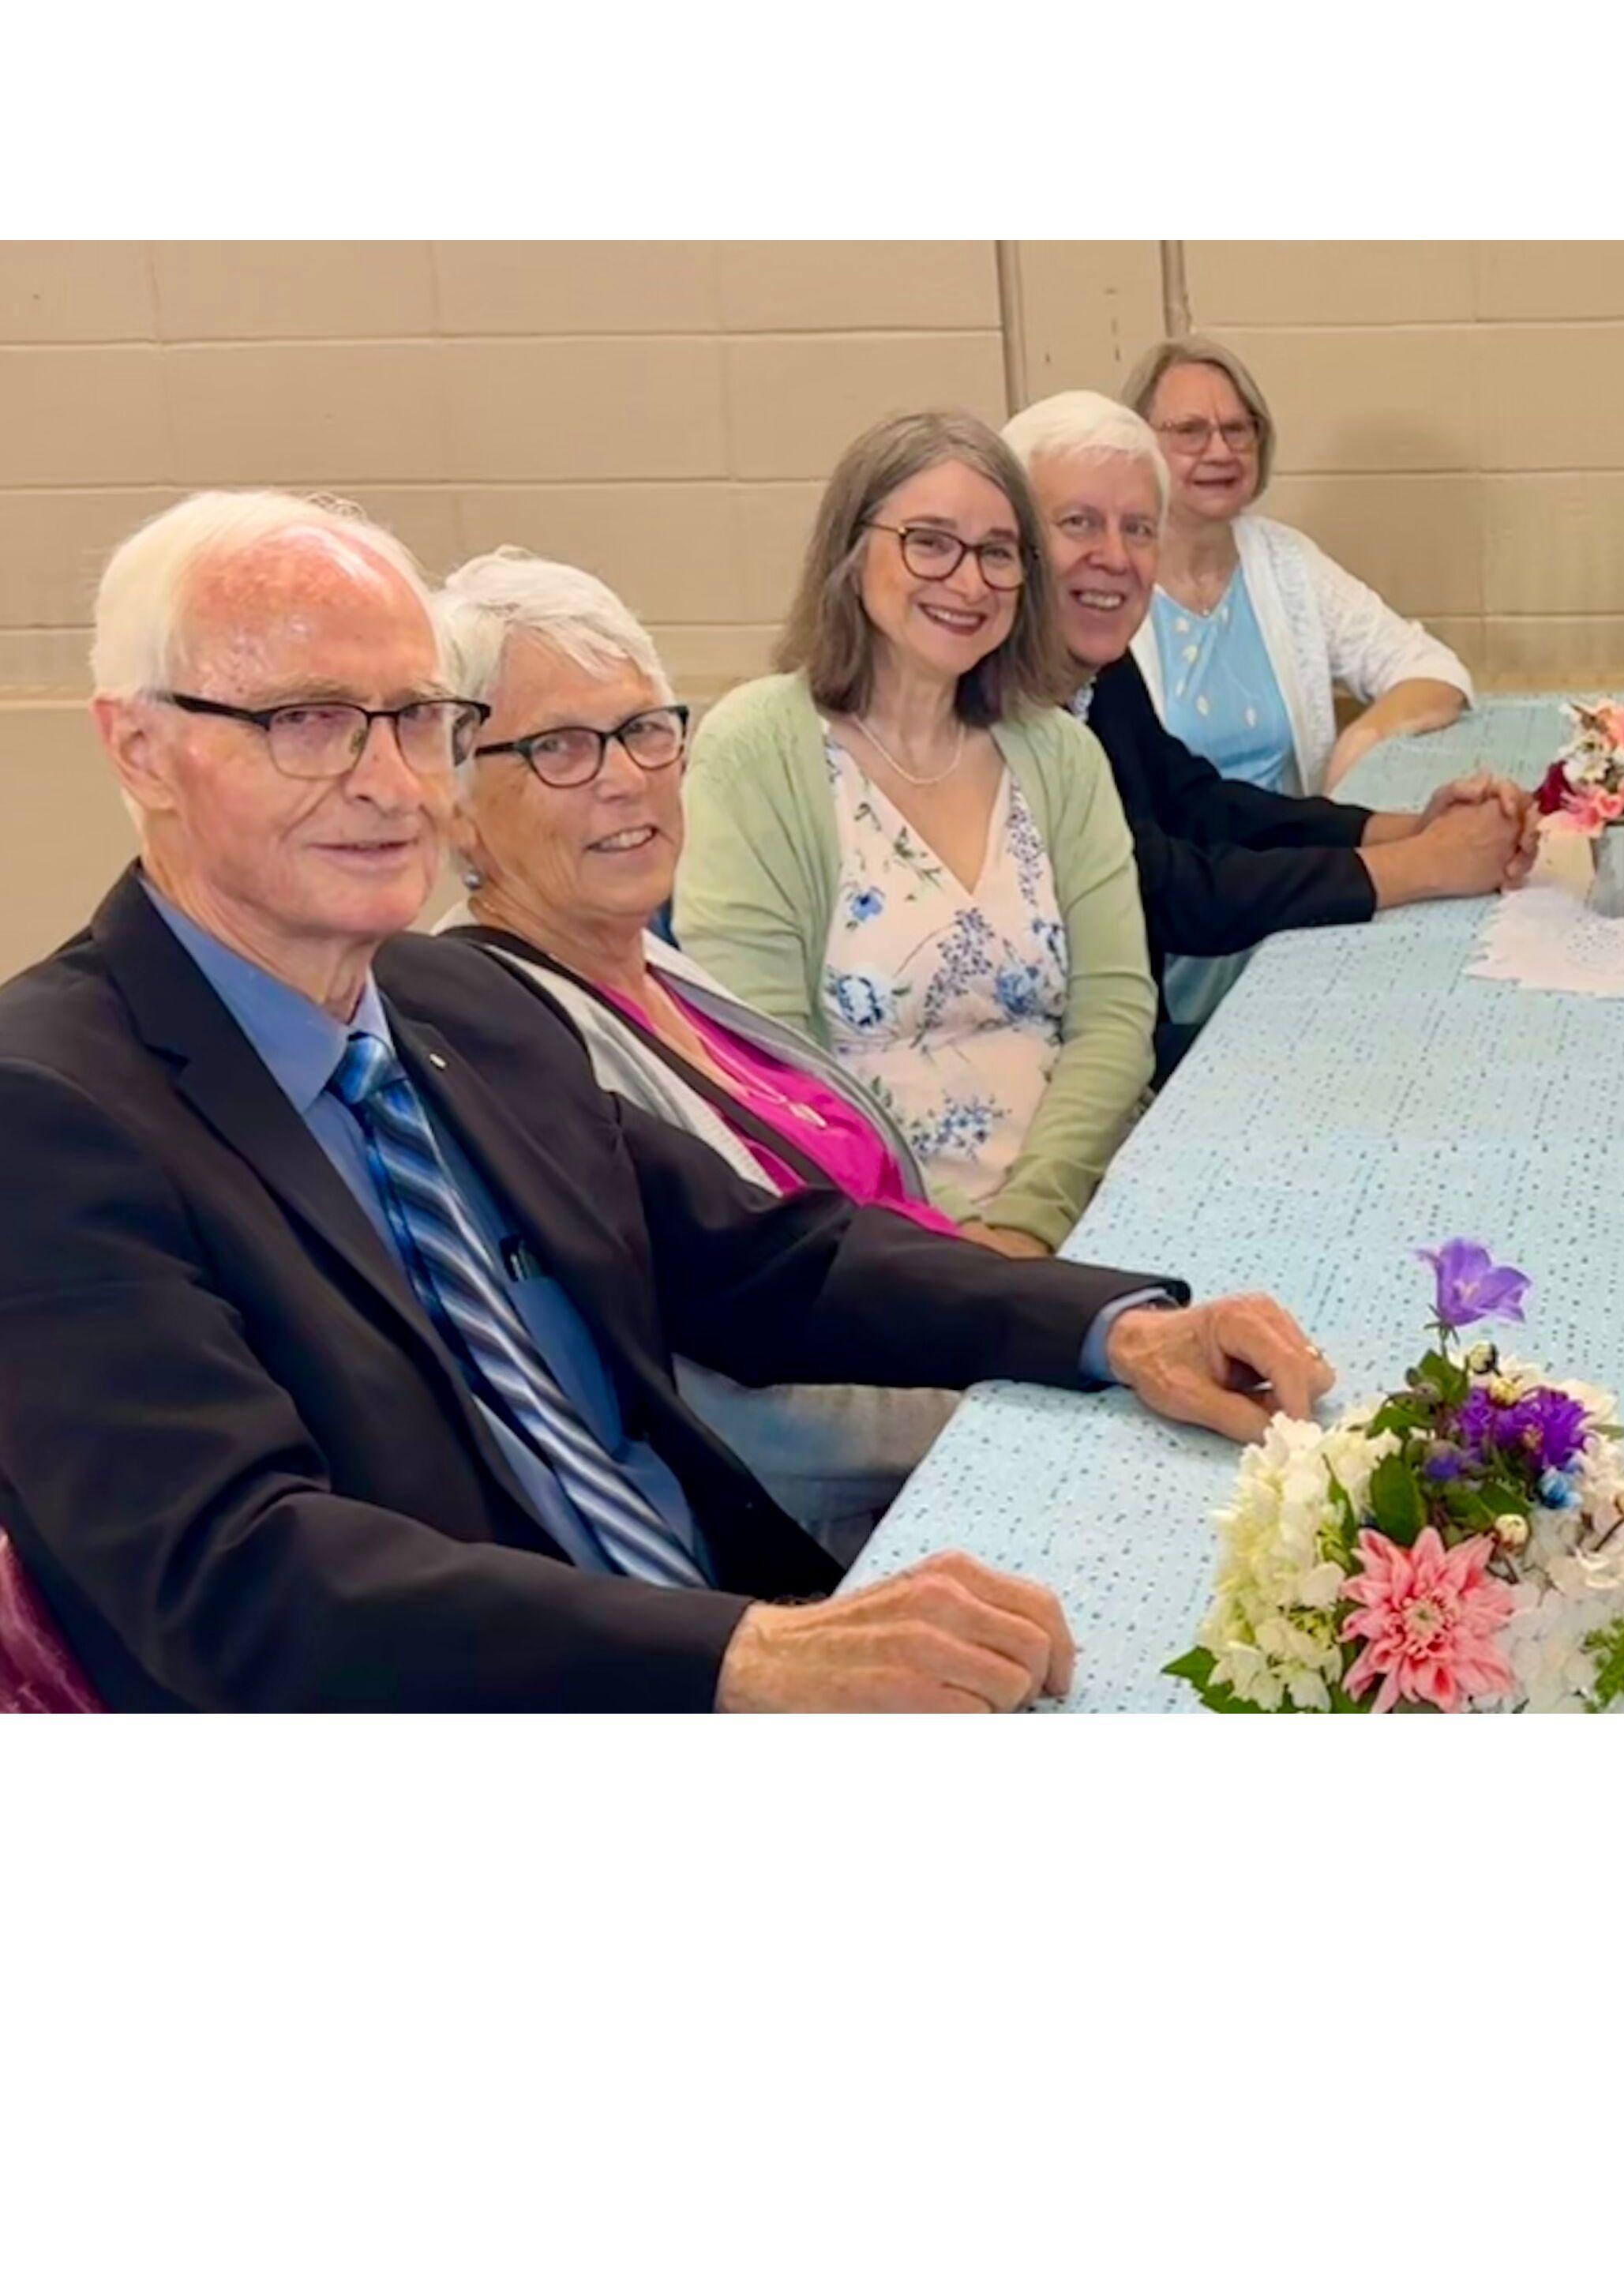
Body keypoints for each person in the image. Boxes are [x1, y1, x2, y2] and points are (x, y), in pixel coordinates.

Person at [0, 490, 1333, 1711]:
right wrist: (741, 1652)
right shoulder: (50, 1108)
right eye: (306, 721)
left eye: (416, 719)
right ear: (142, 748)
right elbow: (239, 1576)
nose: (393, 782)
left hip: (710, 1618)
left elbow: (765, 1256)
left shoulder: (450, 1001)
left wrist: (1112, 1327)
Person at [433, 546, 962, 1560]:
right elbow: (721, 1406)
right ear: (453, 804)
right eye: (559, 748)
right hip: (852, 1538)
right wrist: (989, 1397)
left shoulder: (659, 965)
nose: (626, 778)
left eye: (641, 730)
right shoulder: (500, 1033)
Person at [674, 412, 1153, 1262]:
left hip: (1082, 1205)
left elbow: (1115, 1016)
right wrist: (956, 1252)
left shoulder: (1060, 753)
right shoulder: (756, 750)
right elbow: (767, 1061)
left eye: (998, 552)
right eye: (930, 543)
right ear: (852, 553)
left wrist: (1028, 1226)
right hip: (867, 1239)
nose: (968, 582)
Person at [1000, 391, 1539, 1076]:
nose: (1115, 555)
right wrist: (1425, 866)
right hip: (1054, 1074)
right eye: (1079, 523)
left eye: (1139, 529)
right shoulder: (997, 706)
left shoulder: (1094, 664)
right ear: (1010, 538)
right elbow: (1165, 891)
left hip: (1121, 1043)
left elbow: (1196, 801)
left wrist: (1406, 826)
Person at [1121, 336, 1473, 799]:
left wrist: (1364, 739)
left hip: (1292, 855)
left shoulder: (1287, 563)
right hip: (1173, 863)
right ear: (1138, 445)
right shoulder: (1109, 578)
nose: (1221, 451)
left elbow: (1434, 669)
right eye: (1190, 431)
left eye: (1237, 429)